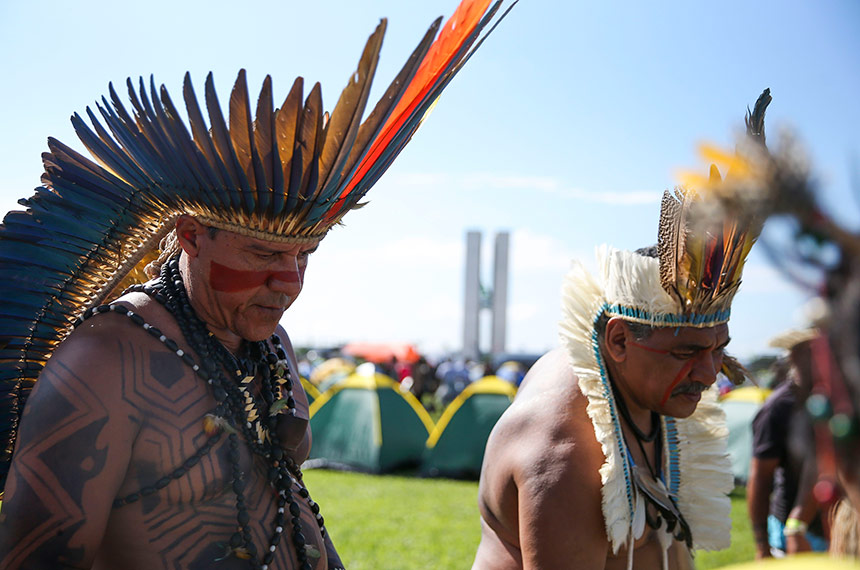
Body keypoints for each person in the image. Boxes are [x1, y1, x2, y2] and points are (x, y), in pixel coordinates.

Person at [0, 2, 512, 568]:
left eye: (306, 254)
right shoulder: (105, 360)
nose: (288, 281)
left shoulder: (273, 346)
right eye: (264, 251)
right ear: (191, 235)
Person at [472, 91, 772, 570]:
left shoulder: (647, 389)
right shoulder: (565, 449)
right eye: (688, 352)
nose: (709, 372)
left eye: (719, 350)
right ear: (618, 341)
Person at [747, 329, 828, 559]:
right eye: (812, 353)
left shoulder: (834, 399)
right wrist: (762, 544)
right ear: (794, 358)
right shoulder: (778, 408)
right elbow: (760, 478)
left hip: (833, 526)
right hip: (794, 533)